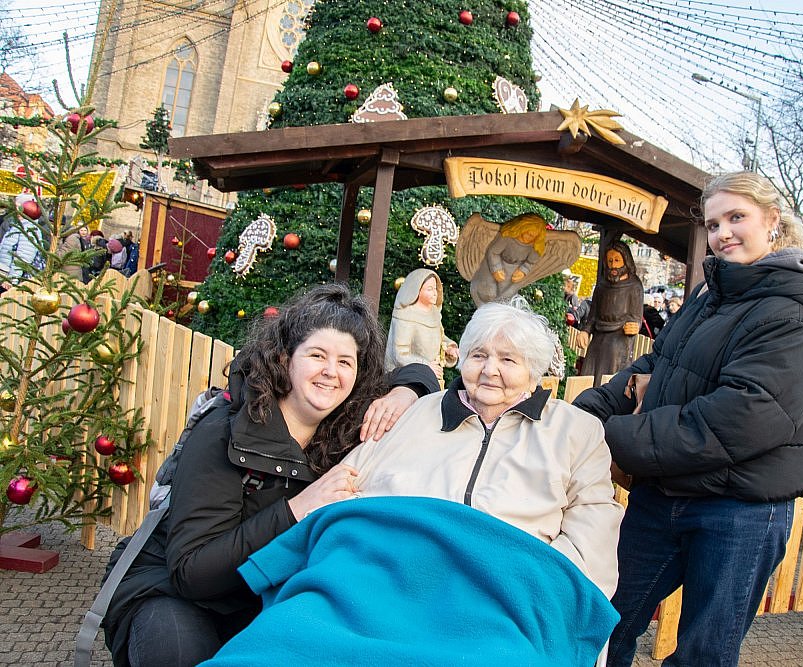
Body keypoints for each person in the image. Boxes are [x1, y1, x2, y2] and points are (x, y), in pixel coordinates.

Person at [202, 302, 623, 666]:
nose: (489, 370)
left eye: (508, 360)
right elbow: (349, 484)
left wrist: (529, 584)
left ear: (534, 372)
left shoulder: (574, 431)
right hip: (382, 578)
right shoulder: (414, 412)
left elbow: (592, 539)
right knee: (281, 643)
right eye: (478, 355)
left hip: (502, 597)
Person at [573, 171, 803, 667]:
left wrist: (610, 437)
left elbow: (739, 417)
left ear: (772, 221)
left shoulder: (791, 313)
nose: (723, 233)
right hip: (664, 495)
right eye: (714, 224)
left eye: (737, 217)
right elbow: (655, 364)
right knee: (600, 623)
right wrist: (584, 418)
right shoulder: (708, 296)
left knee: (703, 653)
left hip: (738, 509)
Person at [101, 283, 438, 667]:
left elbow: (425, 373)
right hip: (172, 592)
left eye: (346, 362)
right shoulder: (226, 432)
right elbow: (191, 573)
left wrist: (407, 390)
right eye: (317, 355)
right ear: (284, 358)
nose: (331, 372)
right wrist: (298, 508)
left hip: (262, 597)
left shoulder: (342, 429)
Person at [579, 240, 644, 380]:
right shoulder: (602, 285)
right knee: (588, 374)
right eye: (610, 261)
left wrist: (635, 326)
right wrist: (585, 331)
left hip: (618, 339)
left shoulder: (634, 286)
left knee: (609, 378)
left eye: (617, 260)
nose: (613, 265)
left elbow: (636, 317)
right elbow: (593, 316)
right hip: (598, 336)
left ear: (625, 260)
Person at [384, 268, 458, 382]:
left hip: (432, 376)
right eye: (429, 289)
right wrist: (426, 366)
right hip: (406, 380)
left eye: (435, 288)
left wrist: (449, 348)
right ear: (416, 290)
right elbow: (400, 355)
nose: (435, 293)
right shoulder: (406, 315)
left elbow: (439, 336)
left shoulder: (434, 312)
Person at [469, 213, 547, 305]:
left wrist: (523, 270)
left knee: (507, 297)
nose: (529, 238)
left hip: (514, 271)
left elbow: (530, 262)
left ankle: (498, 310)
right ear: (522, 228)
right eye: (528, 234)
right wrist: (496, 269)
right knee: (488, 293)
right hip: (494, 265)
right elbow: (493, 252)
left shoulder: (534, 246)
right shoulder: (508, 237)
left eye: (534, 236)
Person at [0, 193, 47, 292]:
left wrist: (12, 280)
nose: (16, 209)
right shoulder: (17, 225)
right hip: (4, 274)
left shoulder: (30, 229)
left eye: (19, 206)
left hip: (11, 280)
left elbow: (23, 257)